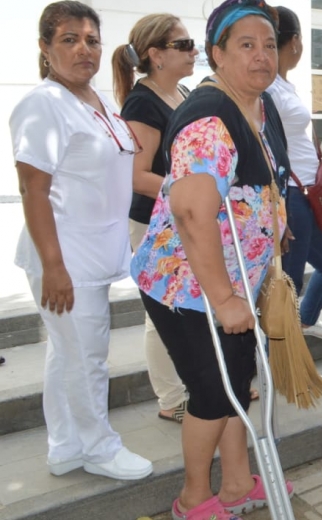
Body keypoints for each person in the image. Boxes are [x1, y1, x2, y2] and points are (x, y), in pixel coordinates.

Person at [131, 1, 294, 517]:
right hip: (185, 286)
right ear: (217, 54)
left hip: (230, 282)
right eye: (246, 45)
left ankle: (238, 483)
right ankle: (194, 497)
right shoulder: (209, 117)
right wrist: (223, 298)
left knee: (236, 383)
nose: (261, 56)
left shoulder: (256, 106)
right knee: (209, 392)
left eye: (268, 44)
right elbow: (191, 209)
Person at [10, 0, 152, 481]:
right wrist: (53, 266)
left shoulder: (98, 101)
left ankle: (66, 444)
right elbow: (34, 188)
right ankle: (98, 448)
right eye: (69, 39)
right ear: (46, 49)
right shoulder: (42, 105)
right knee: (86, 356)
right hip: (65, 257)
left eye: (91, 39)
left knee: (65, 352)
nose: (83, 49)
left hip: (95, 252)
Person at [113, 13, 198, 425]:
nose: (193, 50)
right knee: (161, 310)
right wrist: (184, 188)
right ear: (156, 55)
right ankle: (170, 397)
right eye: (183, 45)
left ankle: (200, 387)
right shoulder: (142, 102)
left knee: (187, 305)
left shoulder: (180, 91)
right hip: (152, 222)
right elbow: (137, 175)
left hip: (181, 218)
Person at [269, 5, 322, 341]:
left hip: (305, 194)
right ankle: (279, 362)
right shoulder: (268, 88)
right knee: (289, 283)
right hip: (290, 196)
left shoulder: (282, 85)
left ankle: (305, 321)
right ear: (297, 42)